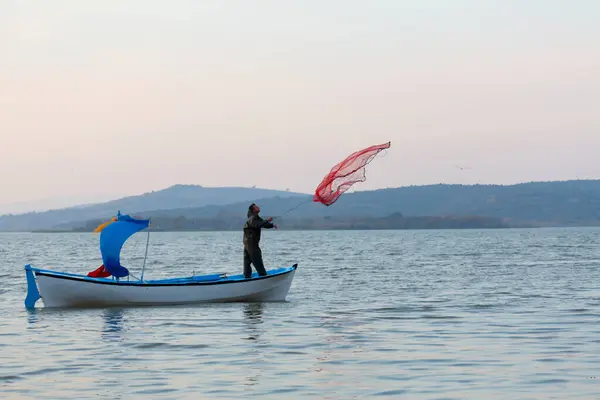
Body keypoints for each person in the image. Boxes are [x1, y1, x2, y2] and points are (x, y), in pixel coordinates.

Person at [243, 203, 277, 279]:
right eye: (256, 207)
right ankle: (263, 276)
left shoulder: (256, 218)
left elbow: (263, 224)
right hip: (251, 244)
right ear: (253, 210)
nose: (258, 207)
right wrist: (267, 220)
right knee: (257, 259)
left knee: (247, 261)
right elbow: (257, 225)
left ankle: (247, 277)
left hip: (248, 244)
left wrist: (272, 225)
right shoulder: (252, 218)